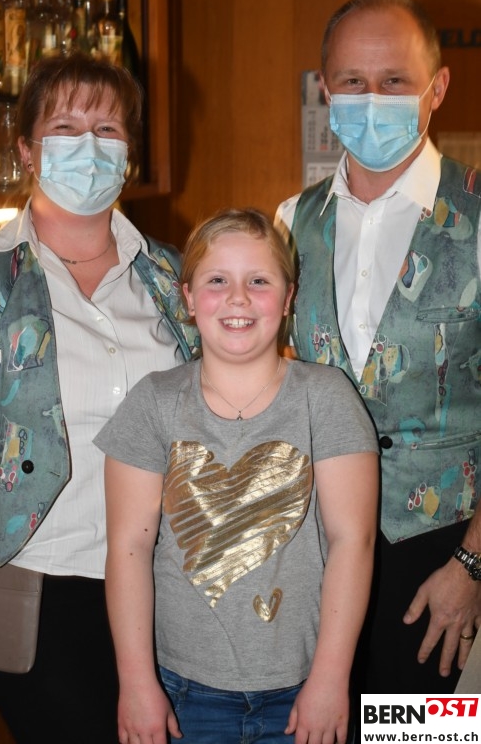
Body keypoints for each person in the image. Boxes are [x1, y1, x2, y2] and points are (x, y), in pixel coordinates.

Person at [0, 51, 197, 744]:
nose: (88, 146)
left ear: (129, 153)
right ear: (26, 150)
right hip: (34, 584)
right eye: (64, 127)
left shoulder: (171, 272)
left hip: (165, 580)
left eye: (107, 129)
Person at [95, 208, 379, 744]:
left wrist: (330, 678)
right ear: (187, 297)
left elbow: (352, 541)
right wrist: (135, 683)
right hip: (181, 693)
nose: (238, 298)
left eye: (259, 281)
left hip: (304, 690)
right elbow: (129, 547)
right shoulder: (152, 403)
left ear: (289, 297)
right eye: (217, 281)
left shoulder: (327, 398)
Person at [276, 0, 481, 693]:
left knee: (428, 736)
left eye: (394, 81)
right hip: (320, 554)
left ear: (437, 88)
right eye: (353, 82)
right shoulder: (288, 223)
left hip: (447, 559)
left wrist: (472, 566)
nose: (372, 100)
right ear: (325, 90)